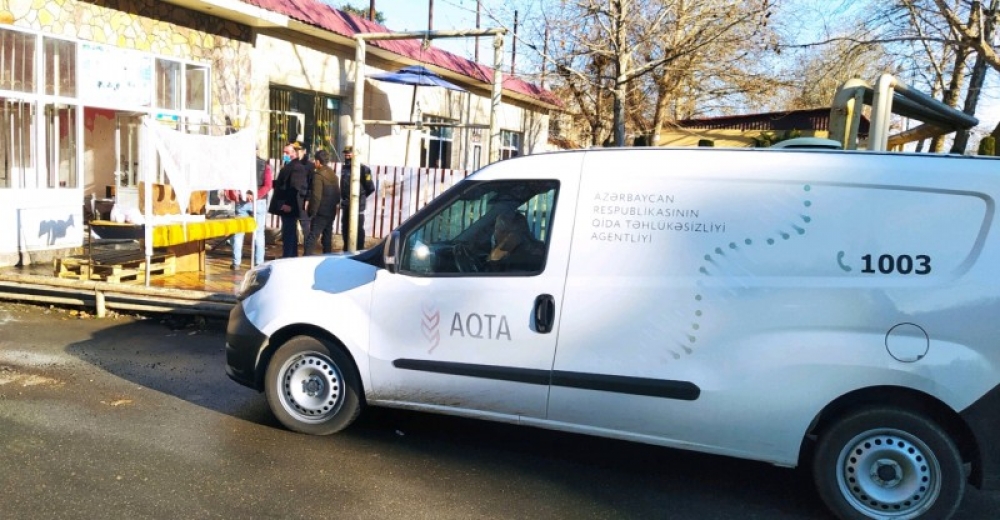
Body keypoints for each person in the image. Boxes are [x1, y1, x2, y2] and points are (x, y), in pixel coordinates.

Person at [224, 152, 273, 269]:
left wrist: (243, 195)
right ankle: (259, 263)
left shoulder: (239, 164)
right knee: (259, 233)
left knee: (239, 232)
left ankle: (236, 263)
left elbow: (233, 183)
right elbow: (268, 185)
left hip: (242, 201)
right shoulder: (265, 165)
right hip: (259, 201)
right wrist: (256, 195)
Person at [272, 142, 310, 258]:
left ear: (294, 152)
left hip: (292, 205)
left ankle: (289, 256)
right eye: (284, 152)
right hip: (286, 204)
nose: (285, 155)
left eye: (287, 152)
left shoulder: (297, 167)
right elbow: (285, 183)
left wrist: (289, 204)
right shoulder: (289, 165)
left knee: (291, 233)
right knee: (289, 233)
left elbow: (295, 187)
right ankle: (290, 255)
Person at [303, 149, 341, 255]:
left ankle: (306, 258)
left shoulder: (318, 175)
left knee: (312, 237)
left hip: (321, 212)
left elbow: (316, 196)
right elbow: (337, 194)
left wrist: (312, 212)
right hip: (331, 211)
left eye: (315, 160)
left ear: (318, 161)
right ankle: (327, 257)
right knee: (327, 237)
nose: (314, 162)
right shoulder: (332, 174)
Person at [339, 146, 376, 251]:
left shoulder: (364, 169)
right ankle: (346, 249)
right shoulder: (345, 168)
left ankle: (359, 250)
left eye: (349, 153)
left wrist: (360, 198)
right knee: (345, 228)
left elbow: (370, 188)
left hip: (357, 206)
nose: (347, 155)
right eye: (346, 153)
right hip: (346, 204)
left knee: (358, 229)